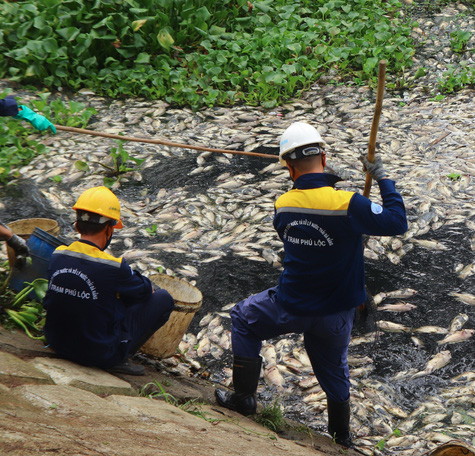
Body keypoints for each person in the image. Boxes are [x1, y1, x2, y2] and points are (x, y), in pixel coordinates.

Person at [215, 122, 408, 447]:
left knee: (243, 319)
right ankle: (341, 437)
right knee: (335, 373)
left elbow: (303, 241)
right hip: (335, 315)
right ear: (325, 156)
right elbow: (396, 221)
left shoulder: (283, 206)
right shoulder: (349, 205)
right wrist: (382, 178)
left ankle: (244, 399)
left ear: (289, 168)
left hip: (289, 306)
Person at [42, 186, 174, 375]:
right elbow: (145, 292)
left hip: (56, 342)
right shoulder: (114, 266)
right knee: (162, 298)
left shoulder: (58, 254)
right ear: (109, 229)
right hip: (97, 354)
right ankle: (119, 357)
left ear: (77, 225)